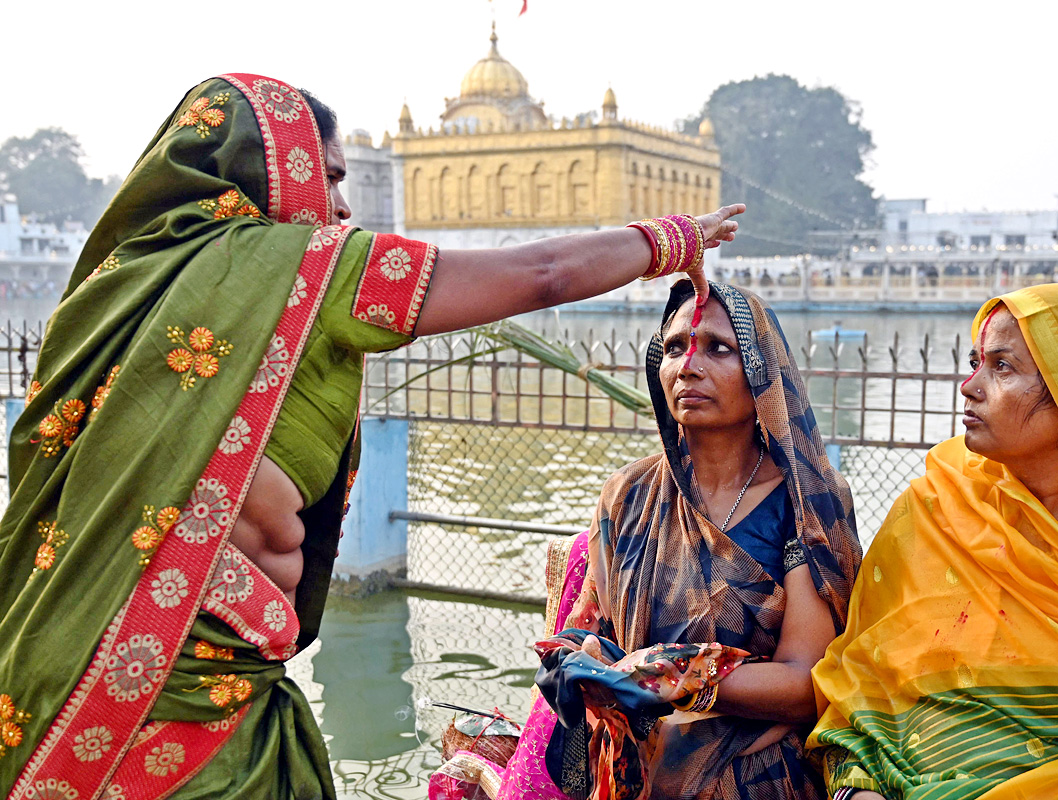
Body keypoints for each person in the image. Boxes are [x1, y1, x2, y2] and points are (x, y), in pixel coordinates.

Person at [0, 73, 743, 800]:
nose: (344, 205)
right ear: (278, 171)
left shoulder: (108, 289)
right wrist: (671, 239)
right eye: (328, 176)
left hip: (57, 653)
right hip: (185, 701)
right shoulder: (307, 268)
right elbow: (541, 273)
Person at [439, 281, 861, 800]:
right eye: (676, 347)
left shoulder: (806, 501)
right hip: (631, 771)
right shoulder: (628, 495)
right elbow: (594, 627)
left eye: (718, 348)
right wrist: (575, 659)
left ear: (761, 374)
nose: (688, 366)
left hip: (757, 777)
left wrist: (666, 677)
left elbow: (807, 684)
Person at [807, 284, 1058, 799]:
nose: (969, 386)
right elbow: (861, 694)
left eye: (1002, 367)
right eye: (974, 362)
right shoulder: (937, 508)